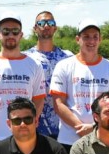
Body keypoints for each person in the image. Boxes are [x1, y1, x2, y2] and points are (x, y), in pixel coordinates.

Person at [0, 14, 45, 154]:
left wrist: (28, 125)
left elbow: (39, 99)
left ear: (21, 35)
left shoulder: (35, 65)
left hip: (25, 136)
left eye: (15, 31)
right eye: (5, 31)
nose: (10, 35)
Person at [50, 19, 109, 150]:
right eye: (86, 37)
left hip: (103, 138)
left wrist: (94, 128)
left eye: (95, 37)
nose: (91, 41)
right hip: (70, 139)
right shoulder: (64, 66)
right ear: (77, 39)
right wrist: (80, 127)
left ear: (100, 39)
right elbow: (58, 104)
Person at [25, 10, 73, 140]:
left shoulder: (68, 57)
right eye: (42, 23)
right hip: (34, 127)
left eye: (50, 23)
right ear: (35, 28)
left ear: (55, 28)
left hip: (65, 128)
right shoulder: (25, 57)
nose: (46, 26)